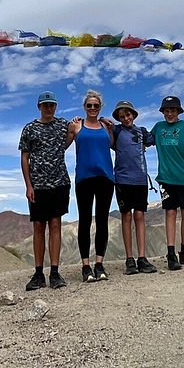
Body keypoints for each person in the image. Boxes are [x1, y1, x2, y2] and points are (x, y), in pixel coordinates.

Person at [19, 91, 78, 291]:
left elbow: (73, 133)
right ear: (39, 107)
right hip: (38, 186)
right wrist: (28, 185)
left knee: (55, 225)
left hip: (59, 182)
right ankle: (37, 273)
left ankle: (54, 272)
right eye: (45, 105)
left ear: (56, 106)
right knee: (38, 228)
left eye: (52, 105)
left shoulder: (62, 125)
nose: (49, 108)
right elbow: (24, 158)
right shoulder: (29, 129)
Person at [149, 95, 184, 271]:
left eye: (172, 110)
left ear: (178, 111)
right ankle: (171, 254)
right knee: (170, 213)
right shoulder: (158, 128)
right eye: (166, 110)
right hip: (166, 178)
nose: (169, 113)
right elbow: (145, 139)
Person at [71, 90, 115, 282]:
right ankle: (85, 266)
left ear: (100, 107)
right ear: (84, 107)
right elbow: (63, 145)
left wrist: (111, 127)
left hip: (105, 177)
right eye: (89, 105)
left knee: (103, 220)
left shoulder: (106, 127)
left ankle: (99, 263)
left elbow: (112, 145)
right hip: (84, 178)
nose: (92, 109)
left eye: (96, 105)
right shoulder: (76, 126)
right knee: (85, 220)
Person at [109, 100, 158, 275]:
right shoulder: (116, 130)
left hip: (140, 180)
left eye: (128, 114)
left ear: (134, 115)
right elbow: (103, 130)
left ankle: (142, 258)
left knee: (139, 215)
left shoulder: (142, 132)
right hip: (122, 180)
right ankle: (129, 259)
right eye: (122, 116)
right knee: (126, 216)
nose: (126, 118)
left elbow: (156, 137)